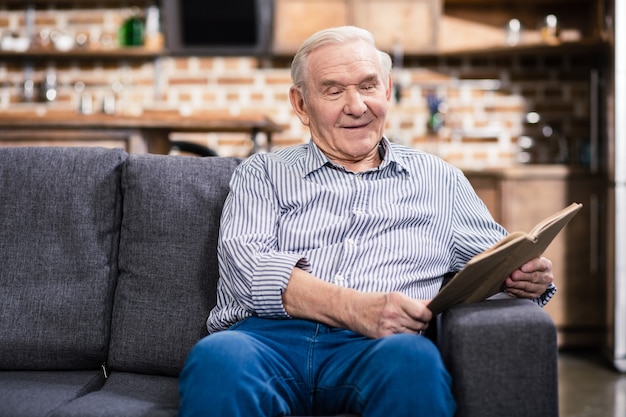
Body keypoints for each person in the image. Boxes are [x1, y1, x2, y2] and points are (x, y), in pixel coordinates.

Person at [178, 26, 556, 417]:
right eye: (333, 90)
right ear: (301, 104)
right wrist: (357, 308)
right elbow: (246, 267)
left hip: (382, 347)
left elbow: (493, 261)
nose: (356, 105)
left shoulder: (438, 178)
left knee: (413, 365)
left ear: (387, 90)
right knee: (218, 359)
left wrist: (524, 277)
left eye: (368, 86)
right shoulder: (263, 173)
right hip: (268, 342)